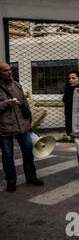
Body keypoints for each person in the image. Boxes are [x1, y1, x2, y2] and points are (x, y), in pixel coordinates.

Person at [0, 62, 44, 192]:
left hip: (23, 126)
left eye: (10, 69)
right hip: (4, 128)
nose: (9, 72)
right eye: (5, 70)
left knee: (28, 151)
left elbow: (25, 103)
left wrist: (29, 121)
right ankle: (11, 181)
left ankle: (31, 177)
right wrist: (6, 104)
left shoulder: (16, 85)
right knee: (8, 155)